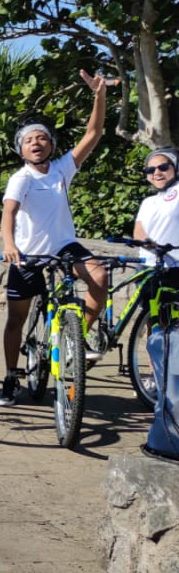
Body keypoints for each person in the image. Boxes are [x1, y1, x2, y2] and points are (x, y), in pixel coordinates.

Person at [0, 70, 115, 406]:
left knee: (100, 275)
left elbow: (93, 133)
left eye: (42, 138)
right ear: (21, 148)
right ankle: (9, 376)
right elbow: (8, 214)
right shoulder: (21, 178)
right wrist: (9, 245)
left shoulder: (62, 169)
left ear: (51, 144)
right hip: (28, 254)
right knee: (16, 320)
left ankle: (76, 339)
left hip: (65, 246)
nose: (37, 143)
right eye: (29, 140)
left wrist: (99, 94)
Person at [134, 146, 179, 461]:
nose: (157, 173)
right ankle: (159, 379)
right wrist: (147, 243)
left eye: (163, 166)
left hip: (176, 266)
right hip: (150, 266)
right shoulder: (149, 201)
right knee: (155, 328)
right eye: (150, 170)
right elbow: (139, 230)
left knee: (171, 330)